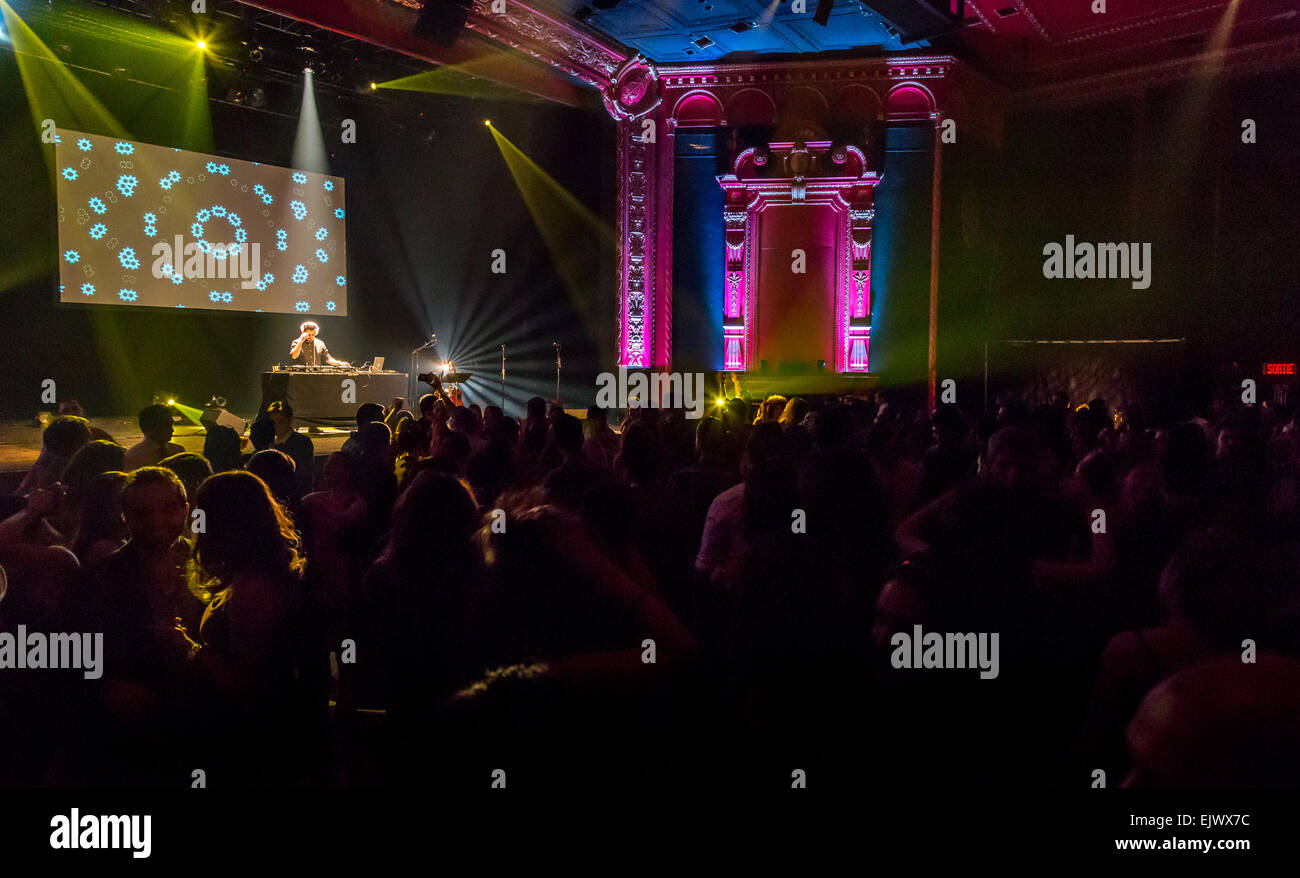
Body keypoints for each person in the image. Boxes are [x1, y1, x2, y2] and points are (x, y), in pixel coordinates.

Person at [263, 400, 315, 498]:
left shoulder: (301, 442)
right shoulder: (270, 442)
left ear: (290, 420)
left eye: (281, 421)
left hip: (293, 495)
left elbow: (303, 475)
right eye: (272, 422)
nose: (276, 426)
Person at [123, 404, 184, 471]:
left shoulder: (178, 451)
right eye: (166, 425)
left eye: (171, 424)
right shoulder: (133, 457)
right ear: (150, 427)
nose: (172, 430)